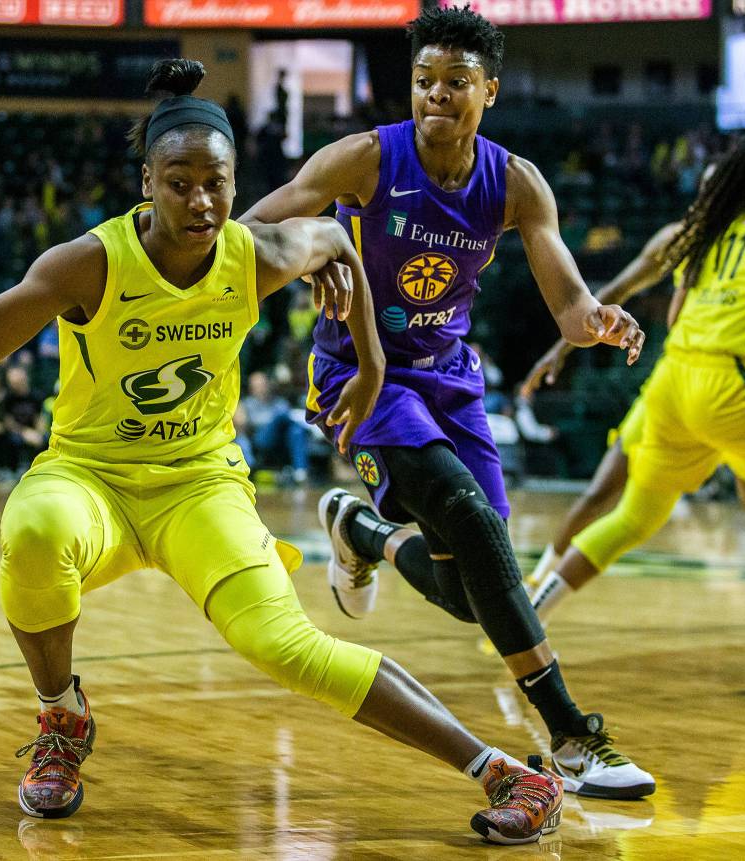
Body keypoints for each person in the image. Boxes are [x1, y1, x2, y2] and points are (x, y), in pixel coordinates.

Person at [0, 58, 564, 846]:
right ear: (147, 182)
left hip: (201, 485)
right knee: (33, 532)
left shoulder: (257, 252)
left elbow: (337, 236)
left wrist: (371, 365)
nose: (201, 201)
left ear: (234, 184)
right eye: (180, 182)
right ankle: (62, 716)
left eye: (217, 184)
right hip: (91, 477)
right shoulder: (86, 263)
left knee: (286, 647)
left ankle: (506, 771)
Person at [242, 5, 653, 799]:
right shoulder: (365, 158)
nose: (436, 93)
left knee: (473, 593)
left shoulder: (516, 183)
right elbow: (256, 226)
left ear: (488, 90)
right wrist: (313, 252)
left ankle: (358, 529)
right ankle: (572, 737)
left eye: (455, 81)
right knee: (467, 517)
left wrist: (597, 319)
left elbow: (570, 304)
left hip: (451, 382)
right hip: (363, 376)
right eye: (424, 79)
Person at [522, 135, 745, 623]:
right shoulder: (696, 234)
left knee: (621, 509)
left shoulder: (691, 234)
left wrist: (563, 347)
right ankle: (533, 588)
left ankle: (531, 602)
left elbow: (646, 301)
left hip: (675, 379)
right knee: (616, 503)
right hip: (729, 385)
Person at [240, 370, 310, 484]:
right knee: (282, 416)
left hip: (281, 439)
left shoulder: (279, 402)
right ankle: (309, 425)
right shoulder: (247, 404)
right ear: (251, 388)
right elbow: (246, 425)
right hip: (260, 438)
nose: (261, 388)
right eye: (257, 386)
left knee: (296, 430)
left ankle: (300, 472)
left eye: (262, 384)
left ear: (268, 385)